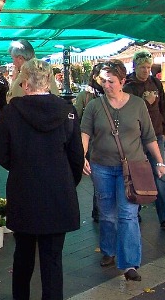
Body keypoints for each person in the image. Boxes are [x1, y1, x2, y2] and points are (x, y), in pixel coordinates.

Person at [0, 59, 83, 300]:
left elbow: (0, 152)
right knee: (53, 259)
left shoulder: (12, 111)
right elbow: (77, 157)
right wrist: (66, 182)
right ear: (50, 82)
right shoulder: (68, 112)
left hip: (24, 191)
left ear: (24, 83)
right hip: (58, 193)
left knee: (22, 254)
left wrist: (22, 168)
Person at [81, 59, 165, 282]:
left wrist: (159, 162)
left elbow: (149, 136)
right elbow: (85, 133)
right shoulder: (94, 105)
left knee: (128, 214)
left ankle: (129, 264)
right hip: (102, 166)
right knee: (107, 213)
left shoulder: (137, 104)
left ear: (122, 81)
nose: (106, 85)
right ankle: (108, 250)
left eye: (111, 81)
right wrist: (82, 155)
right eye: (103, 81)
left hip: (133, 168)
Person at [123, 50, 165, 228]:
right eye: (142, 67)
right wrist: (143, 101)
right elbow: (127, 112)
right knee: (136, 174)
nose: (146, 71)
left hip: (156, 135)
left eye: (148, 67)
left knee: (160, 173)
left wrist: (164, 128)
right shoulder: (129, 86)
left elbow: (163, 105)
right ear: (135, 67)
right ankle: (135, 211)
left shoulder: (155, 82)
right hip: (137, 137)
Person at [74, 62, 105, 223]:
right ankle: (98, 210)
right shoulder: (85, 95)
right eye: (102, 77)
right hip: (92, 142)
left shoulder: (114, 94)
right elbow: (76, 118)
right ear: (95, 77)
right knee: (98, 176)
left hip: (110, 143)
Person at [6, 39, 60, 103]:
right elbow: (55, 94)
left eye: (13, 59)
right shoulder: (45, 69)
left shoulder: (23, 76)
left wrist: (14, 80)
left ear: (20, 58)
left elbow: (11, 100)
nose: (13, 63)